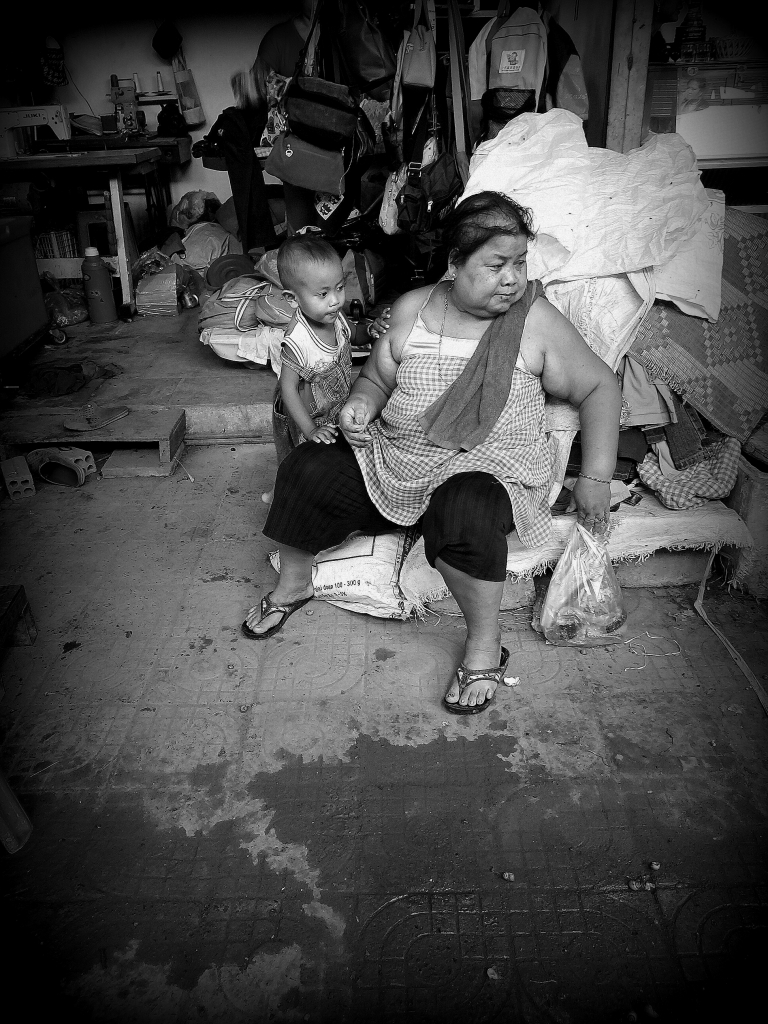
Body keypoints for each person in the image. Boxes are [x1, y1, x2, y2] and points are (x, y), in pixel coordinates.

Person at [244, 192, 622, 715]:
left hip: (490, 469)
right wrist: (359, 404)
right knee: (307, 468)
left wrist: (596, 477)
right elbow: (376, 378)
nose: (512, 279)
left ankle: (484, 645)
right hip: (400, 459)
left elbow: (600, 386)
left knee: (463, 507)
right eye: (495, 266)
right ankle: (294, 584)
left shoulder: (534, 322)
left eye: (519, 263)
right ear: (454, 264)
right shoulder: (412, 309)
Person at [261, 235, 390, 503]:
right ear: (293, 299)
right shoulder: (298, 340)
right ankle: (280, 497)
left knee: (333, 457)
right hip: (303, 414)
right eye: (323, 294)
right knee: (300, 459)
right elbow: (288, 389)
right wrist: (309, 430)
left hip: (333, 405)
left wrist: (370, 330)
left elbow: (353, 334)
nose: (335, 300)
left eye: (340, 287)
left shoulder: (333, 315)